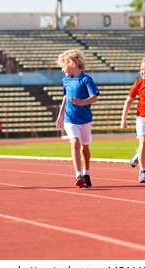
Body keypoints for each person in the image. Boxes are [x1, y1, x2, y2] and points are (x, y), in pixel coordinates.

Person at [55, 49, 100, 188]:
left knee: (85, 147)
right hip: (70, 119)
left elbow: (94, 97)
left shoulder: (86, 79)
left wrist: (82, 102)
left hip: (85, 119)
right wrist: (60, 115)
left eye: (63, 66)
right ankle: (78, 175)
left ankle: (86, 173)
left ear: (73, 64)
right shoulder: (65, 80)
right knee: (74, 142)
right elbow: (65, 97)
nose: (62, 70)